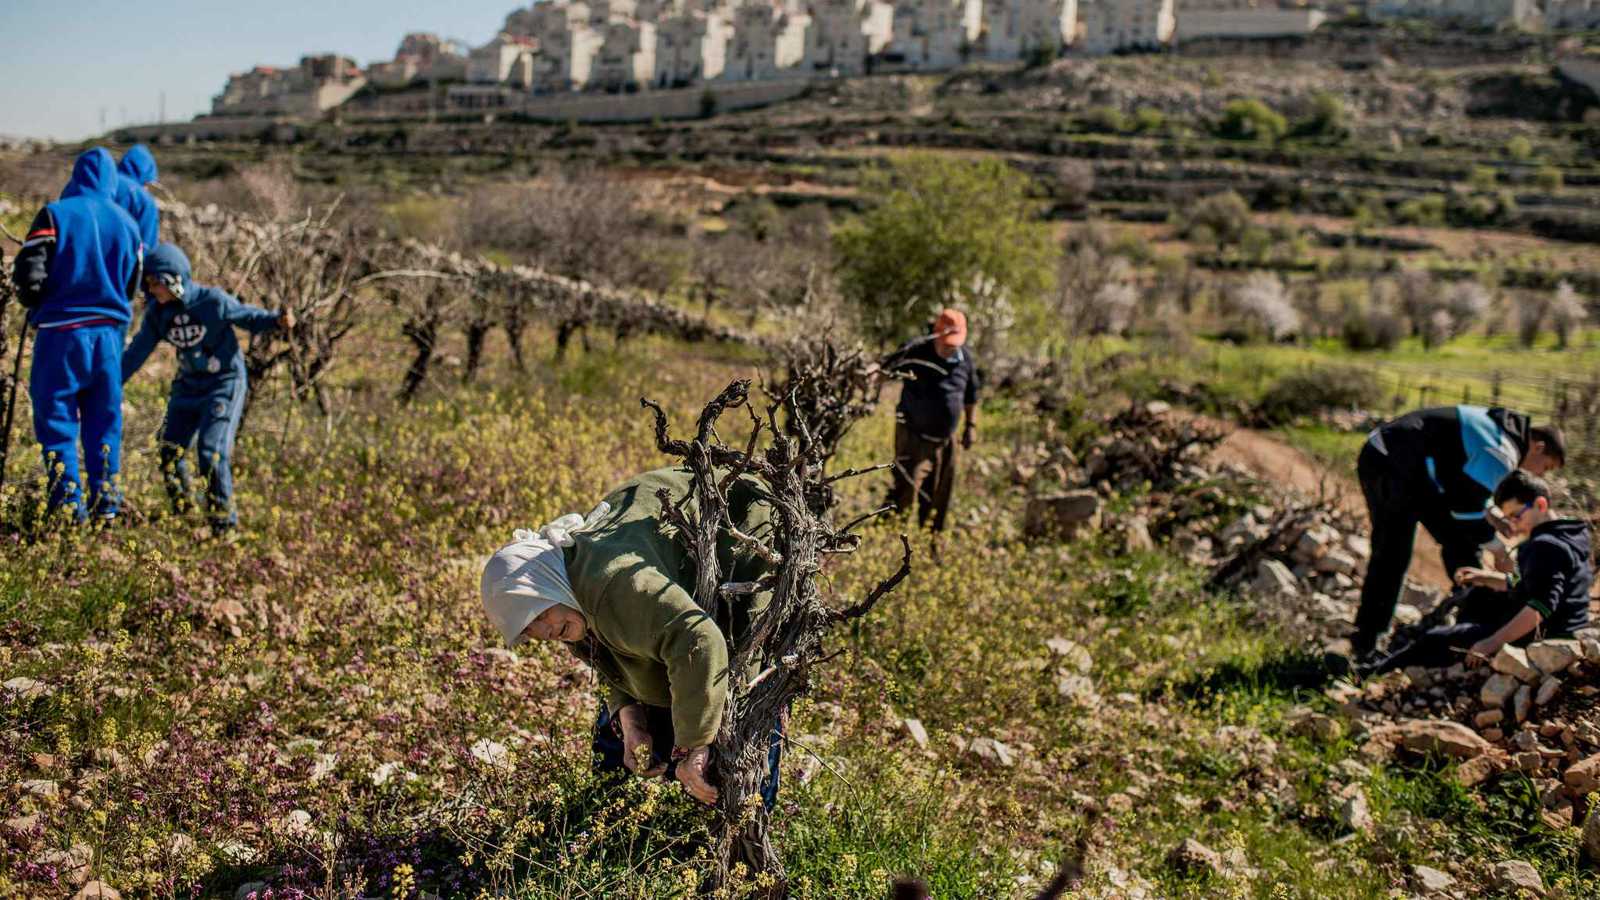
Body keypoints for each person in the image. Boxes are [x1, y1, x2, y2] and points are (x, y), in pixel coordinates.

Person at [479, 467, 783, 807]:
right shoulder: (563, 601)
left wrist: (695, 747)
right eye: (529, 630)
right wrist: (630, 718)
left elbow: (699, 639)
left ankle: (744, 825)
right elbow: (611, 658)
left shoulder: (614, 586)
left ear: (544, 581)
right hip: (663, 589)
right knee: (624, 737)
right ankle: (622, 826)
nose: (545, 631)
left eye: (538, 614)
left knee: (744, 690)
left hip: (742, 521)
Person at [1352, 405, 1564, 658]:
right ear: (1538, 447)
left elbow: (1463, 485)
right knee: (1393, 551)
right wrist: (1499, 551)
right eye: (1546, 467)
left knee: (1461, 541)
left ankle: (1472, 616)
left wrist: (1491, 519)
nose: (1540, 474)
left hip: (1420, 472)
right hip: (1389, 460)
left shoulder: (1501, 431)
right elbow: (1467, 507)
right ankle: (1366, 644)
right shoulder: (1501, 451)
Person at [121, 243, 292, 535]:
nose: (151, 290)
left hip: (223, 383)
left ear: (173, 278)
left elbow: (248, 317)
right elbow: (137, 352)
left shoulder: (212, 301)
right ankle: (184, 512)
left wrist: (277, 320)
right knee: (169, 449)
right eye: (147, 283)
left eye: (155, 282)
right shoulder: (157, 314)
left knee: (211, 452)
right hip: (187, 386)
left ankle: (223, 525)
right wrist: (109, 385)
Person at [11, 147, 144, 522]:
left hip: (62, 334)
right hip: (108, 339)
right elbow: (133, 284)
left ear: (77, 175)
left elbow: (29, 274)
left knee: (57, 422)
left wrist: (34, 301)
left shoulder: (56, 215)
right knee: (105, 423)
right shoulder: (129, 224)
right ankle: (108, 506)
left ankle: (69, 509)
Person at [1362, 470, 1591, 674]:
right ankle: (1440, 640)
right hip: (1565, 625)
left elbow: (1539, 607)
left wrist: (1491, 642)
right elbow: (1536, 583)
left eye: (1516, 516)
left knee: (1437, 639)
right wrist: (1486, 577)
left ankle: (1373, 672)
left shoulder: (1545, 545)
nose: (1514, 525)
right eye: (1507, 518)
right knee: (1478, 593)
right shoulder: (1572, 533)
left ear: (1540, 505)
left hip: (1545, 637)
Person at [882, 307, 980, 533]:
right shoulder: (917, 350)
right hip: (914, 437)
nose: (949, 349)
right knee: (904, 490)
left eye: (954, 344)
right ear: (936, 335)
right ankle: (888, 537)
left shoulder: (965, 358)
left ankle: (931, 543)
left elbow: (971, 395)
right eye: (946, 343)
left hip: (946, 441)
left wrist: (970, 426)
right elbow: (883, 370)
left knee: (939, 496)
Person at [115, 144, 161, 251]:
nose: (147, 189)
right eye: (147, 184)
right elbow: (147, 247)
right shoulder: (143, 199)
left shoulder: (102, 184)